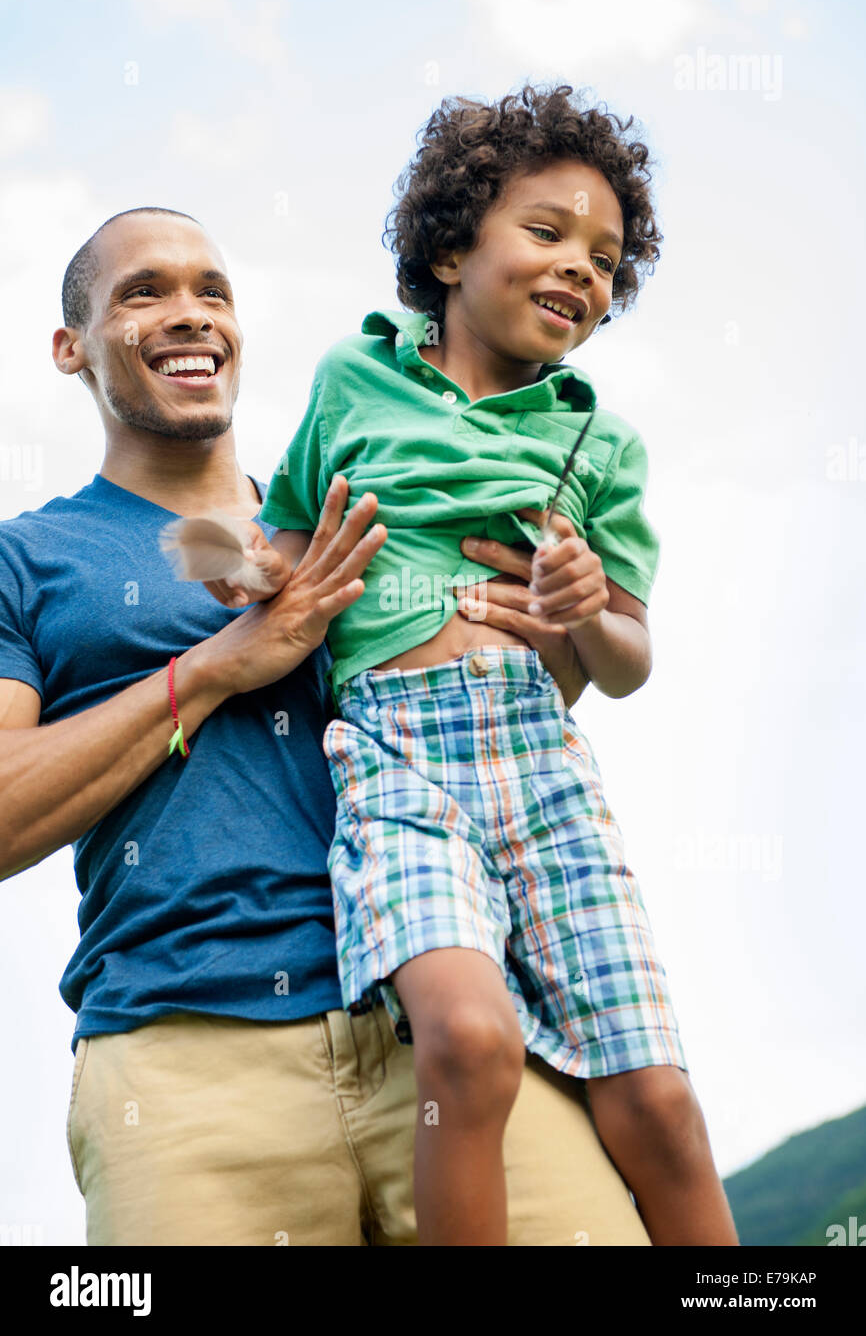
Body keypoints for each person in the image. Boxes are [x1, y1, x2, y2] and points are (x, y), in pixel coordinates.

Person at [0, 203, 653, 1246]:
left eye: (212, 291)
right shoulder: (26, 560)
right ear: (68, 346)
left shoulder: (366, 511)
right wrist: (214, 667)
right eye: (144, 292)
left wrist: (562, 638)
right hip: (186, 1064)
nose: (190, 314)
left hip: (448, 1021)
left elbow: (510, 723)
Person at [177, 85, 738, 1246]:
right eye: (546, 234)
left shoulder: (597, 437)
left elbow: (626, 659)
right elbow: (285, 537)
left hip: (539, 754)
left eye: (603, 258)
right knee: (468, 1043)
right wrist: (238, 563)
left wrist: (585, 610)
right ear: (446, 248)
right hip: (392, 749)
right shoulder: (354, 376)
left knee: (659, 1105)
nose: (578, 269)